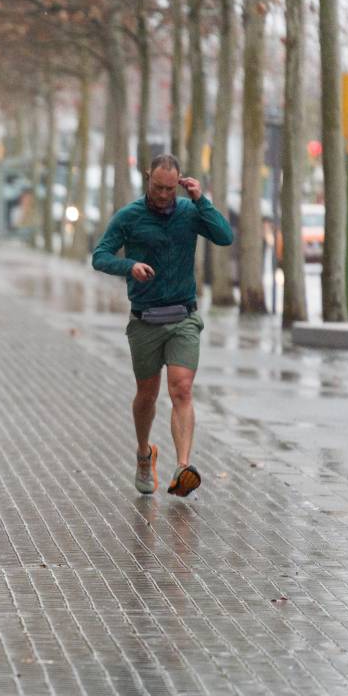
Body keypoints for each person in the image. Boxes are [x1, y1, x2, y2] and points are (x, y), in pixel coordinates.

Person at [92, 154, 233, 497]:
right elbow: (100, 256)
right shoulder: (129, 216)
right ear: (147, 179)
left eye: (171, 188)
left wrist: (202, 200)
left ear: (180, 183)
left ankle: (182, 467)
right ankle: (144, 453)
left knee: (181, 388)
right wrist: (130, 266)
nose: (164, 194)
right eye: (157, 187)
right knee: (147, 394)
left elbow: (225, 236)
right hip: (145, 319)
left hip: (183, 315)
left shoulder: (190, 211)